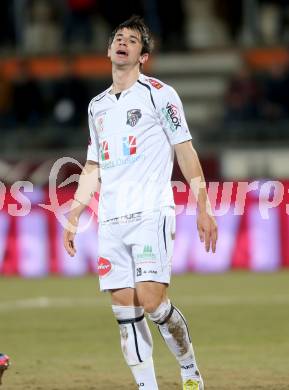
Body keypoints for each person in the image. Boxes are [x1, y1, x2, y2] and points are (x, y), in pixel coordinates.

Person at [63, 15, 217, 390]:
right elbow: (93, 165)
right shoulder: (96, 106)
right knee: (124, 311)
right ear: (108, 50)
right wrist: (76, 211)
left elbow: (185, 149)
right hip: (111, 220)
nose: (122, 42)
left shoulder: (160, 94)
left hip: (150, 212)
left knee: (152, 302)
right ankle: (148, 387)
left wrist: (203, 205)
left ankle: (189, 369)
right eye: (118, 37)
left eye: (132, 40)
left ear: (143, 56)